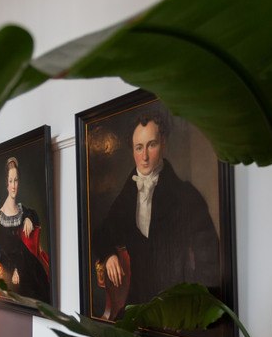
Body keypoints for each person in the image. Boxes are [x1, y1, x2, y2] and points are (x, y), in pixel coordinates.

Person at [92, 112, 219, 318]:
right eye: (138, 147)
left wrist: (193, 307)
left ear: (163, 144)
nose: (144, 157)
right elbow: (102, 233)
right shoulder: (128, 195)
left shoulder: (186, 196)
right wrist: (109, 255)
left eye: (151, 145)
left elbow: (210, 261)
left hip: (176, 308)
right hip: (138, 305)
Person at [0, 157, 51, 302]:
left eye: (16, 180)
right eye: (10, 181)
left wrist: (29, 218)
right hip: (15, 271)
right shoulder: (1, 216)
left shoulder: (22, 209)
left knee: (44, 287)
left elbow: (34, 214)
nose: (14, 186)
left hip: (30, 265)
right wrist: (13, 268)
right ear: (6, 184)